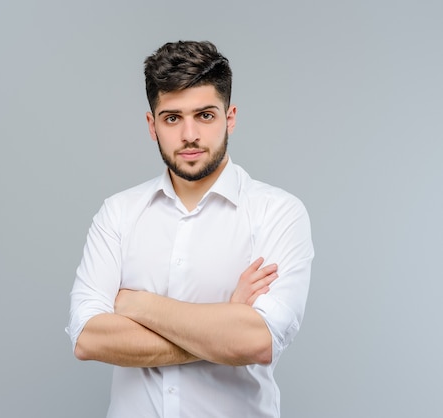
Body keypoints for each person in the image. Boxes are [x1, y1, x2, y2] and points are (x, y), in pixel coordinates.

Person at [66, 40, 314, 418]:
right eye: (172, 118)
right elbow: (88, 339)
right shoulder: (118, 214)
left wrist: (138, 304)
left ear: (229, 117)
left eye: (205, 115)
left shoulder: (277, 213)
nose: (189, 135)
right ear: (152, 125)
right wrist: (223, 324)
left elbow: (256, 340)